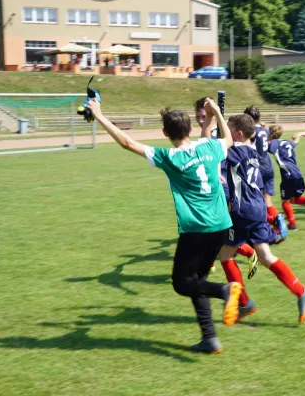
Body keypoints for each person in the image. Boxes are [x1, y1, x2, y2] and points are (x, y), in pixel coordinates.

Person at [86, 97, 242, 355]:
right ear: (191, 129)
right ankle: (210, 338)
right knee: (197, 281)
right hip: (221, 224)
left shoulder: (169, 156)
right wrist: (216, 113)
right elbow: (228, 139)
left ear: (165, 134)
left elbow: (127, 142)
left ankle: (225, 291)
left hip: (196, 229)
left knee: (182, 283)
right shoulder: (210, 147)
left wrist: (100, 116)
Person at [211, 114, 305, 324]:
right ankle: (301, 290)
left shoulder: (235, 151)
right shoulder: (254, 152)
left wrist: (214, 123)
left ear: (238, 133)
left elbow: (216, 153)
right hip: (258, 208)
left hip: (241, 212)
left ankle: (244, 303)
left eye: (230, 130)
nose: (227, 135)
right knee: (265, 255)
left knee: (225, 255)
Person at [194, 97, 264, 277]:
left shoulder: (225, 135)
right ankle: (244, 254)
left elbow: (210, 147)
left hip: (227, 187)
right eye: (199, 117)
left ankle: (212, 264)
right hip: (225, 188)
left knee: (213, 229)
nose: (202, 120)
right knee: (217, 230)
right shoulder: (237, 141)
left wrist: (214, 115)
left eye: (204, 116)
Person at [268, 124, 305, 227]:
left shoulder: (273, 143)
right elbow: (294, 143)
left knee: (285, 201)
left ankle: (292, 224)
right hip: (298, 174)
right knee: (294, 199)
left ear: (271, 134)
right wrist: (297, 138)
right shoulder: (286, 142)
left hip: (288, 176)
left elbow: (262, 147)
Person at [244, 106, 286, 231]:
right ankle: (278, 229)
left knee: (256, 202)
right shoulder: (265, 131)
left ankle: (266, 225)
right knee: (267, 201)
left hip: (258, 168)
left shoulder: (251, 132)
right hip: (268, 166)